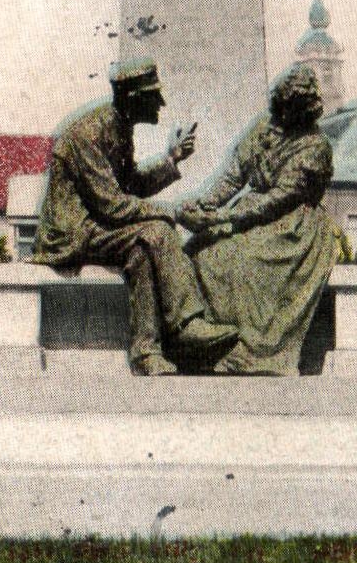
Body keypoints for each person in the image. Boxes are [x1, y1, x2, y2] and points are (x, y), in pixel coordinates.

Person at [33, 59, 238, 375]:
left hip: (97, 224)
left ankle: (146, 353)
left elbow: (131, 186)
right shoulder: (86, 135)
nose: (161, 102)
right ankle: (186, 325)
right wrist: (171, 211)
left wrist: (171, 160)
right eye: (153, 95)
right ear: (132, 98)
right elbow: (112, 206)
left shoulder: (118, 127)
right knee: (156, 230)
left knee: (141, 251)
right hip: (73, 232)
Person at [177, 66, 340, 375]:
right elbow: (233, 177)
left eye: (287, 108)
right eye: (278, 105)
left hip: (292, 226)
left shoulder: (316, 147)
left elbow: (276, 201)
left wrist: (217, 218)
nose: (279, 114)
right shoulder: (264, 127)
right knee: (201, 249)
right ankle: (211, 343)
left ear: (302, 111)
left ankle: (249, 349)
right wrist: (202, 205)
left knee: (241, 261)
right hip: (249, 214)